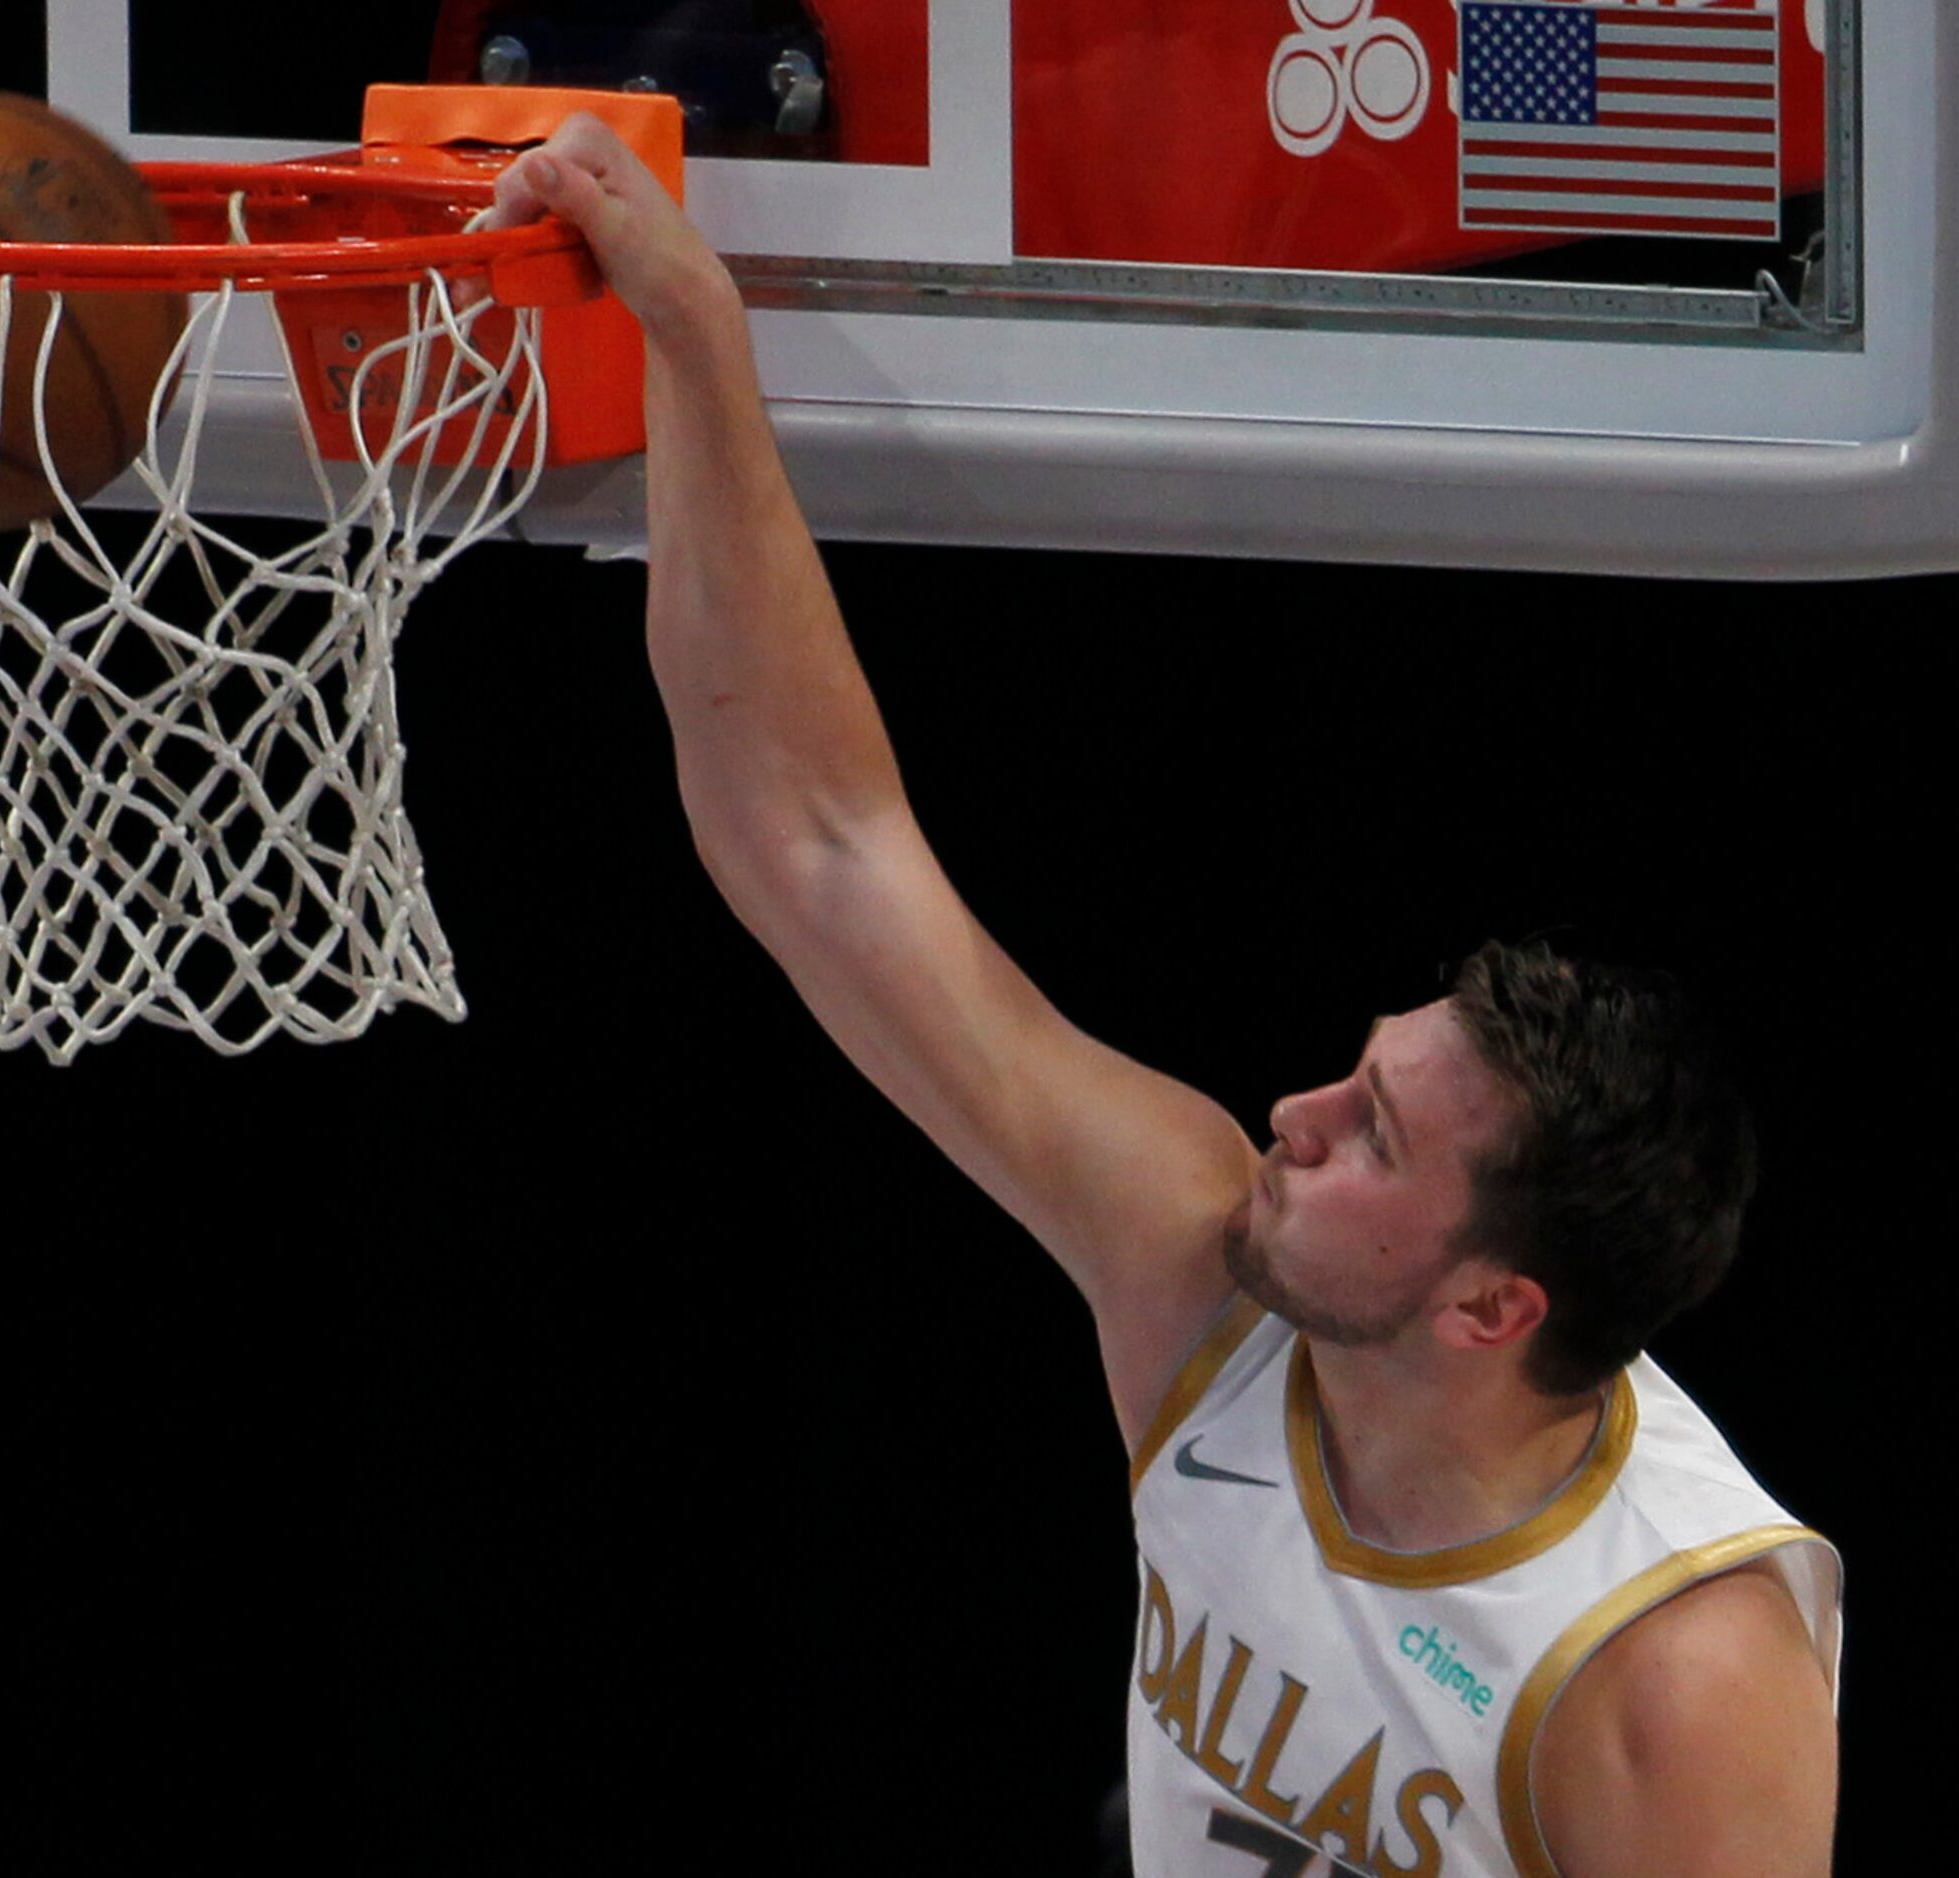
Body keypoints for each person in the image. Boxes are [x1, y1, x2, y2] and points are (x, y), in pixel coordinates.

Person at [486, 118, 1842, 1878]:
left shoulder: (1672, 1673)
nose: (1292, 1114)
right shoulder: (1208, 1277)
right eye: (1360, 1069)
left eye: (1370, 1137)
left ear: (1492, 1308)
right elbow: (823, 853)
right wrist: (694, 334)